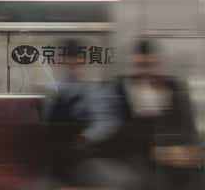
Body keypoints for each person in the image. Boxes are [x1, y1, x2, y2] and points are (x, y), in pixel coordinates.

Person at [111, 38, 203, 190]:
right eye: (140, 65)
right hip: (137, 157)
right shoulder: (120, 89)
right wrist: (156, 151)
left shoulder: (175, 87)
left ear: (158, 64)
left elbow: (188, 125)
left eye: (149, 65)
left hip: (175, 153)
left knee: (195, 172)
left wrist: (189, 150)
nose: (145, 72)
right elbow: (118, 134)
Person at [44, 39, 122, 188]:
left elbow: (108, 122)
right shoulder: (54, 90)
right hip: (57, 157)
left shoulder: (94, 90)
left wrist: (86, 137)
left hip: (85, 154)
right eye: (69, 65)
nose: (73, 70)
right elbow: (48, 124)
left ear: (84, 63)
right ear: (62, 64)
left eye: (76, 65)